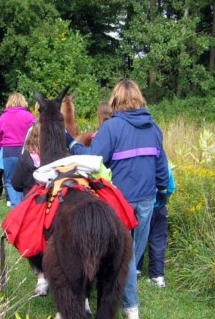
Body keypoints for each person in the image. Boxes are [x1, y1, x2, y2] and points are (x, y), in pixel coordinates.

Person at [67, 79, 169, 319]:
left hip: (119, 202)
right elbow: (161, 166)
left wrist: (72, 143)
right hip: (147, 200)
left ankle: (131, 308)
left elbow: (93, 160)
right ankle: (126, 302)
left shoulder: (112, 128)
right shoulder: (154, 128)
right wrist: (162, 193)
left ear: (116, 99)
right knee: (131, 255)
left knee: (126, 257)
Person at [11, 122, 48, 296]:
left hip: (33, 207)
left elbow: (16, 184)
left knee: (35, 242)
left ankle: (41, 280)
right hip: (52, 204)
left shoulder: (26, 157)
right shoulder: (54, 157)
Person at [0, 92, 36, 209]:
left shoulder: (3, 118)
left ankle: (16, 208)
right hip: (26, 153)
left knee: (10, 181)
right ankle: (27, 206)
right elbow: (37, 132)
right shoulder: (29, 116)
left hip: (9, 153)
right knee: (27, 180)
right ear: (23, 102)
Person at [137, 166, 176, 288]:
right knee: (158, 241)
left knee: (138, 237)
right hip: (159, 208)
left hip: (141, 208)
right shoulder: (165, 168)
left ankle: (135, 270)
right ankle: (157, 277)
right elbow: (171, 188)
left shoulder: (140, 167)